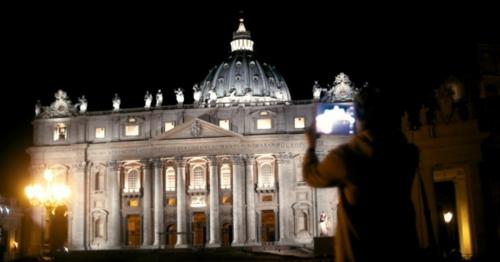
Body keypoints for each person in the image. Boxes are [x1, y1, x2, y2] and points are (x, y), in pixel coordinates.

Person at [303, 87, 420, 261]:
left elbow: (311, 175)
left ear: (357, 119)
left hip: (359, 252)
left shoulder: (346, 157)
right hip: (400, 249)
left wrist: (311, 146)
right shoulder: (409, 154)